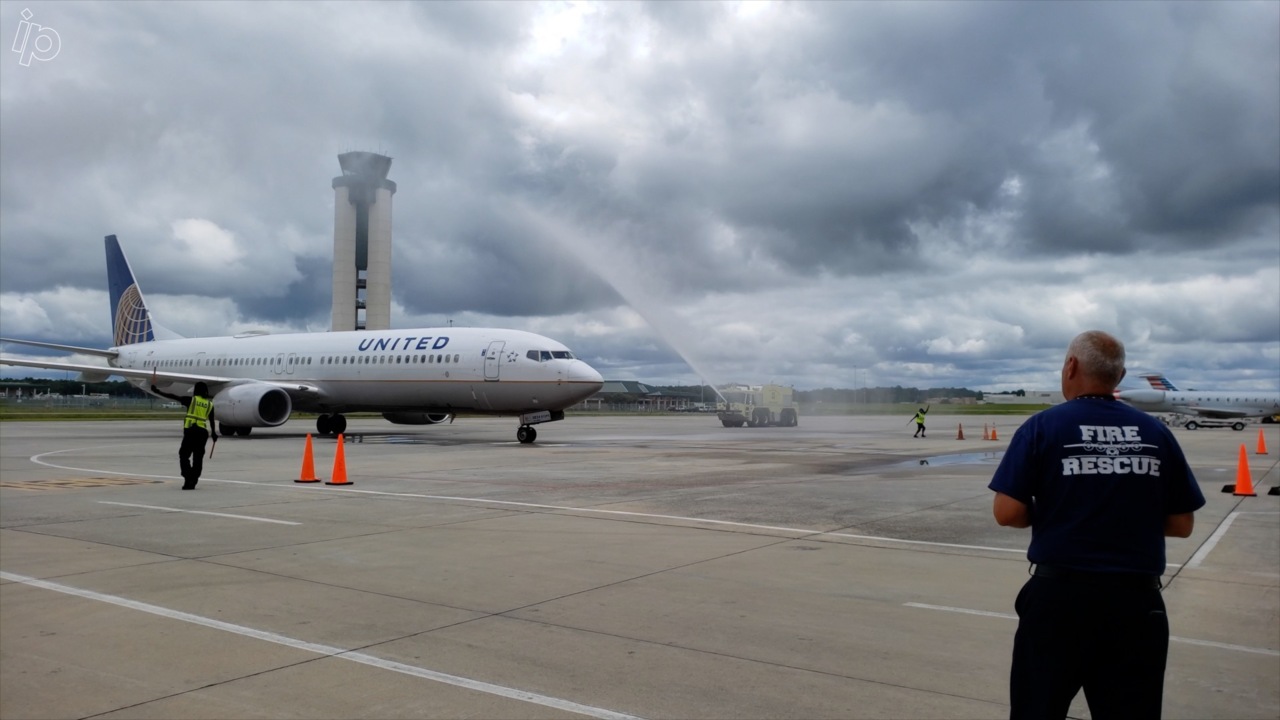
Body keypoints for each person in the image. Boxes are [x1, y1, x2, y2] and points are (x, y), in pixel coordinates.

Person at [988, 330, 1205, 719]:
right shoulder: (1156, 432)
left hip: (1059, 602)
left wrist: (1064, 512)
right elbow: (1182, 523)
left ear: (1071, 366)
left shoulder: (1042, 427)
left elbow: (1008, 513)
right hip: (1135, 605)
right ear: (1119, 377)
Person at [151, 381, 218, 490]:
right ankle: (194, 479)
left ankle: (188, 477)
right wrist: (214, 433)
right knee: (198, 457)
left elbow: (173, 396)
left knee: (184, 455)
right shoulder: (209, 404)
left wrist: (158, 391)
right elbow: (212, 421)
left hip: (191, 431)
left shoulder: (192, 400)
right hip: (202, 433)